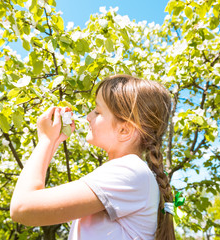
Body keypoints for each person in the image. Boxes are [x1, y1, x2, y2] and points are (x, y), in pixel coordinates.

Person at [10, 74, 175, 239]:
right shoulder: (131, 173)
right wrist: (52, 142)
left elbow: (22, 208)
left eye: (97, 111)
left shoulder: (129, 170)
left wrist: (45, 141)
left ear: (124, 130)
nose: (88, 116)